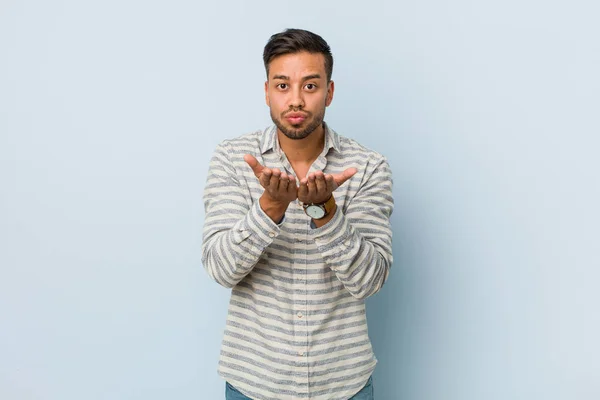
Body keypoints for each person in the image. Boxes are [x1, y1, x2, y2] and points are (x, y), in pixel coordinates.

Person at [202, 28, 393, 400]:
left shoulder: (367, 167)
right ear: (267, 92)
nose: (295, 100)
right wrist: (270, 206)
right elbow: (220, 269)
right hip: (253, 384)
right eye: (282, 85)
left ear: (329, 92)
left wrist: (327, 213)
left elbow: (370, 281)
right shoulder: (233, 158)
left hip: (344, 386)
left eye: (309, 86)